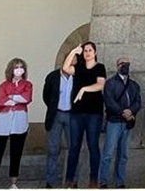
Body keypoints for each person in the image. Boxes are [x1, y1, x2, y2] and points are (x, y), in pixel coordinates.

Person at [64, 41, 107, 188]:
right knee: (74, 146)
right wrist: (73, 52)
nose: (87, 53)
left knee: (93, 145)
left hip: (94, 113)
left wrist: (83, 89)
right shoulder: (79, 68)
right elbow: (65, 68)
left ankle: (94, 179)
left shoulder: (100, 67)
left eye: (90, 50)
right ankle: (70, 179)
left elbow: (100, 85)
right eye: (85, 51)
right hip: (77, 113)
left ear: (94, 52)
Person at [0, 58, 32, 189]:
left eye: (21, 67)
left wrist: (11, 97)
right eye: (16, 67)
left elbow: (26, 98)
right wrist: (14, 98)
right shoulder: (4, 85)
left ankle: (13, 183)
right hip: (4, 119)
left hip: (19, 119)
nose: (19, 70)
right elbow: (0, 101)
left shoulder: (27, 84)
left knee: (16, 153)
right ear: (11, 70)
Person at [100, 56, 142, 188]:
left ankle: (120, 182)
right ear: (117, 66)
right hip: (114, 122)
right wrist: (123, 112)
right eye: (121, 63)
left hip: (128, 124)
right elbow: (109, 101)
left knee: (123, 155)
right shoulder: (110, 83)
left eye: (126, 63)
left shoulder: (134, 85)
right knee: (108, 153)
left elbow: (138, 102)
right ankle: (103, 181)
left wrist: (131, 111)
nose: (124, 65)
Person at [43, 61, 74, 189]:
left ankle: (73, 180)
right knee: (53, 149)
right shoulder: (52, 76)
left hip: (72, 116)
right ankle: (50, 181)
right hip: (56, 115)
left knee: (74, 148)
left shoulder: (77, 77)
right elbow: (46, 96)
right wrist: (53, 108)